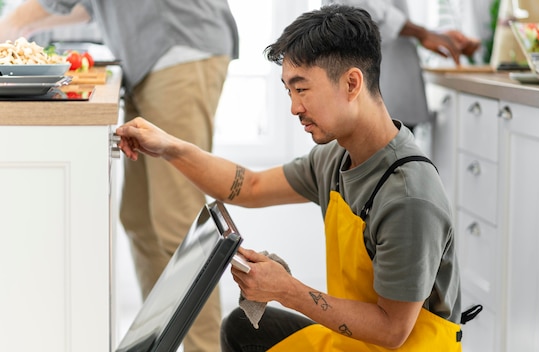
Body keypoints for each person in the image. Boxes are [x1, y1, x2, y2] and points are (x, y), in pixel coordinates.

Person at [116, 4, 462, 351]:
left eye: (302, 89)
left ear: (352, 83)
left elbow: (391, 331)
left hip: (401, 346)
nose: (294, 107)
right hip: (353, 343)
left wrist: (286, 289)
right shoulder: (334, 157)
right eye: (289, 91)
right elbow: (250, 186)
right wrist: (170, 148)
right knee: (243, 327)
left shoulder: (408, 195)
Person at [0, 1, 239, 351]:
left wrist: (10, 27)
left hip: (177, 47)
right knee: (139, 218)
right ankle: (159, 343)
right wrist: (22, 27)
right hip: (155, 57)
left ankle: (205, 349)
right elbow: (81, 9)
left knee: (178, 221)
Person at [323, 0, 480, 132]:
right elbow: (367, 9)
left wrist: (433, 34)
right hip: (379, 97)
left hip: (391, 96)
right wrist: (424, 34)